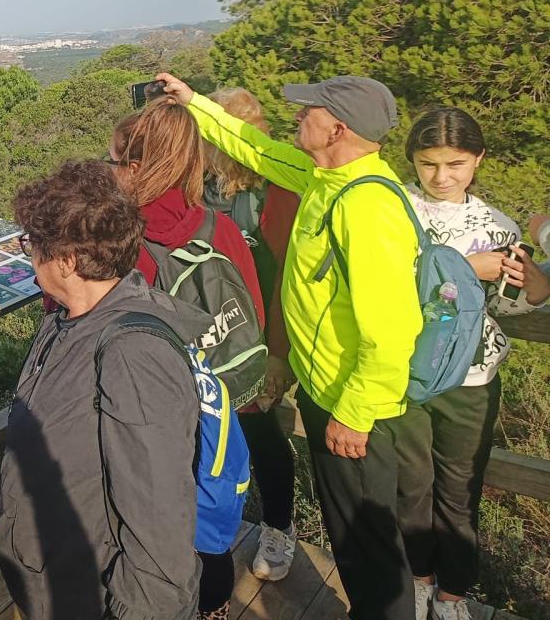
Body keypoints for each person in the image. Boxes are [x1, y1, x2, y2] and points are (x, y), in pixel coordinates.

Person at [158, 72, 423, 620]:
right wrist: (195, 103)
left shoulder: (367, 207)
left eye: (309, 113)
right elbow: (252, 146)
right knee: (350, 531)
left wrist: (354, 414)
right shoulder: (325, 176)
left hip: (356, 406)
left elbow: (392, 328)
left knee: (368, 538)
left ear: (338, 129)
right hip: (329, 389)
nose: (297, 118)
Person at [0, 158, 207, 620]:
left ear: (67, 261)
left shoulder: (133, 355)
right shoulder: (68, 320)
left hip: (92, 593)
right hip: (54, 580)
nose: (27, 254)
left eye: (32, 244)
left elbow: (159, 516)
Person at [108, 101, 265, 620]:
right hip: (216, 406)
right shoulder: (216, 224)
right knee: (209, 520)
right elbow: (252, 309)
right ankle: (216, 609)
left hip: (156, 419)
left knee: (156, 524)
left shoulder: (125, 244)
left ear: (136, 169)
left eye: (114, 163)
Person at [396, 108, 550, 620]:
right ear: (412, 161)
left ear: (478, 159)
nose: (442, 177)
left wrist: (532, 285)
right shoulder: (392, 211)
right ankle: (417, 580)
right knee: (410, 484)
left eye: (456, 164)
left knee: (460, 489)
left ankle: (453, 592)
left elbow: (504, 305)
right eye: (429, 164)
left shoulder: (496, 226)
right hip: (404, 369)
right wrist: (463, 267)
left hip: (471, 376)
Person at [202, 87, 301, 584]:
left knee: (262, 434)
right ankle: (209, 530)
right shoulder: (197, 185)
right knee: (206, 436)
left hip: (259, 340)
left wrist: (279, 357)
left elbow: (287, 277)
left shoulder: (275, 190)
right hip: (207, 336)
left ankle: (279, 525)